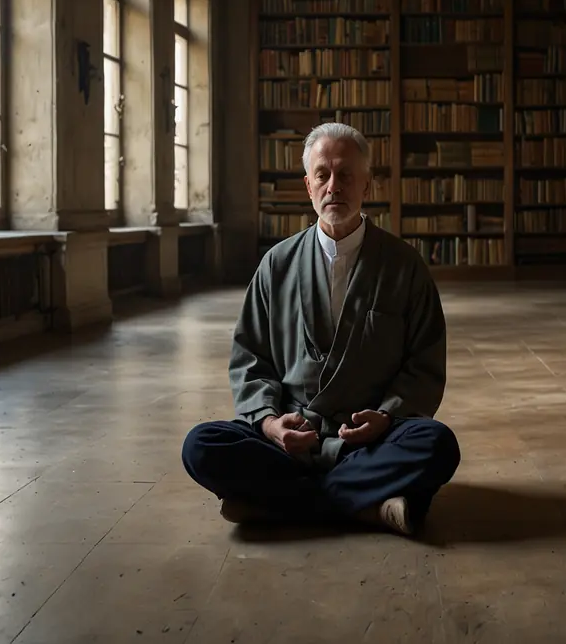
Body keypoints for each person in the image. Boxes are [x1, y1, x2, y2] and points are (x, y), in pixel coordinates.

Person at [181, 122, 460, 536]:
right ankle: (366, 505)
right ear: (308, 185)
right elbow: (251, 359)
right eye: (323, 175)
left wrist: (387, 417)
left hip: (369, 439)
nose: (334, 186)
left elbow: (424, 363)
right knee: (201, 446)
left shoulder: (404, 266)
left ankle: (280, 503)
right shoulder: (277, 265)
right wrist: (270, 424)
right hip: (293, 438)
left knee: (437, 445)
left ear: (367, 184)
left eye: (346, 174)